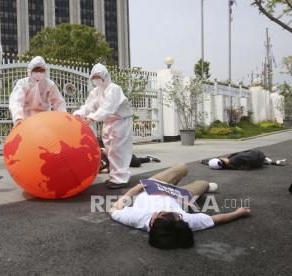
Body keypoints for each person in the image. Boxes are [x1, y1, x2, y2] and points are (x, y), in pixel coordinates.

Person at [109, 164, 251, 249]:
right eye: (177, 215)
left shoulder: (136, 218)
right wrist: (238, 213)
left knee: (182, 167)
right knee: (203, 183)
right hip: (180, 196)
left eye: (161, 213)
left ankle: (183, 181)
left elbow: (113, 209)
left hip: (152, 186)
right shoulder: (185, 222)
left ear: (152, 221)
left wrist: (135, 190)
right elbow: (217, 219)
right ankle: (206, 186)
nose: (168, 210)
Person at [74, 63, 133, 189]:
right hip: (108, 122)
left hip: (121, 122)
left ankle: (121, 178)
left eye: (98, 76)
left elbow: (109, 107)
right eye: (94, 77)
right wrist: (79, 114)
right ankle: (115, 176)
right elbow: (89, 105)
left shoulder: (114, 89)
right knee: (110, 150)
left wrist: (92, 117)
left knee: (119, 150)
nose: (96, 79)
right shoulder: (96, 91)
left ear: (105, 76)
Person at [9, 56, 66, 126]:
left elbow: (58, 102)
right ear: (30, 70)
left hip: (44, 120)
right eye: (36, 70)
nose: (38, 73)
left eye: (41, 70)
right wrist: (18, 118)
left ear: (45, 71)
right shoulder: (23, 83)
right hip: (25, 120)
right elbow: (16, 101)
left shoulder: (49, 84)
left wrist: (63, 117)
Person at [202, 149, 287, 170]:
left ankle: (271, 162)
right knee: (259, 155)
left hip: (257, 164)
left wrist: (203, 161)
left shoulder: (229, 166)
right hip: (259, 159)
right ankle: (272, 162)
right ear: (222, 160)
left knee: (260, 159)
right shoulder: (236, 159)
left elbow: (211, 163)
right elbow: (254, 154)